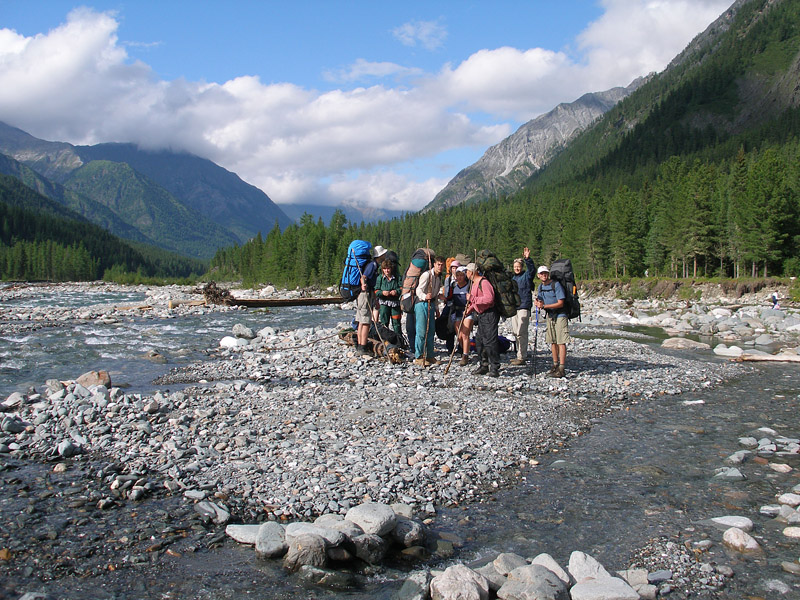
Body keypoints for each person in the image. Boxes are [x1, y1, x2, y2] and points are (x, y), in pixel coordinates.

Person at [466, 262, 500, 377]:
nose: (466, 273)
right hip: (481, 315)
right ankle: (483, 365)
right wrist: (470, 309)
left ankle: (494, 367)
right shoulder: (474, 283)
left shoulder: (483, 282)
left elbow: (489, 299)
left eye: (467, 271)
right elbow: (477, 301)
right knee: (480, 341)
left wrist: (472, 298)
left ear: (471, 272)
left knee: (490, 342)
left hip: (489, 314)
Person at [534, 265, 569, 378]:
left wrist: (544, 306)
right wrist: (538, 303)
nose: (544, 275)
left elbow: (561, 303)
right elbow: (540, 300)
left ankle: (562, 368)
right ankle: (555, 365)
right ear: (538, 275)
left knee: (561, 341)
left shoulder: (556, 285)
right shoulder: (540, 287)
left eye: (545, 273)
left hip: (560, 314)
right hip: (550, 315)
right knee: (553, 341)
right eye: (542, 273)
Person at [355, 245, 387, 356]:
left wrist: (375, 300)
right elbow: (363, 277)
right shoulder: (372, 265)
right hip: (365, 295)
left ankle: (360, 345)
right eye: (383, 254)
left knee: (361, 321)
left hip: (366, 294)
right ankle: (362, 347)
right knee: (366, 322)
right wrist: (363, 285)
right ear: (380, 255)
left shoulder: (373, 265)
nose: (385, 256)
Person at [414, 255, 445, 366]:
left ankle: (430, 355)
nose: (440, 267)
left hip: (431, 304)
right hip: (422, 303)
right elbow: (418, 290)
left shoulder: (438, 277)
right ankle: (419, 356)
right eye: (438, 265)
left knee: (431, 330)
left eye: (442, 265)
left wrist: (436, 309)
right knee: (422, 331)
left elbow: (435, 295)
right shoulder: (427, 275)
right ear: (434, 264)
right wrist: (424, 296)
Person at [510, 247, 536, 366]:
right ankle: (519, 354)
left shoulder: (526, 276)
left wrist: (527, 259)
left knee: (521, 332)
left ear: (522, 266)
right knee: (515, 332)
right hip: (514, 307)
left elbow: (532, 270)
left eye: (518, 266)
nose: (517, 268)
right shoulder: (512, 278)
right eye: (515, 266)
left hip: (524, 306)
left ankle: (522, 356)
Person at [450, 265, 474, 366]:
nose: (459, 277)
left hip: (468, 312)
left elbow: (474, 300)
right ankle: (463, 349)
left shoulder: (469, 287)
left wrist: (469, 308)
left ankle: (465, 355)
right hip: (457, 312)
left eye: (461, 275)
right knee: (459, 336)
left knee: (465, 334)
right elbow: (449, 298)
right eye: (457, 275)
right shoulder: (454, 287)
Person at [375, 256, 402, 339]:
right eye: (385, 269)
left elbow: (402, 288)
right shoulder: (380, 278)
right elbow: (376, 291)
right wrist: (382, 292)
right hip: (384, 303)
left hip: (395, 303)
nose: (387, 271)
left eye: (388, 268)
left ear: (391, 269)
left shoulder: (398, 277)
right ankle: (384, 341)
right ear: (382, 269)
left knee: (396, 323)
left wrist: (396, 292)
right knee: (384, 323)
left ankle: (399, 340)